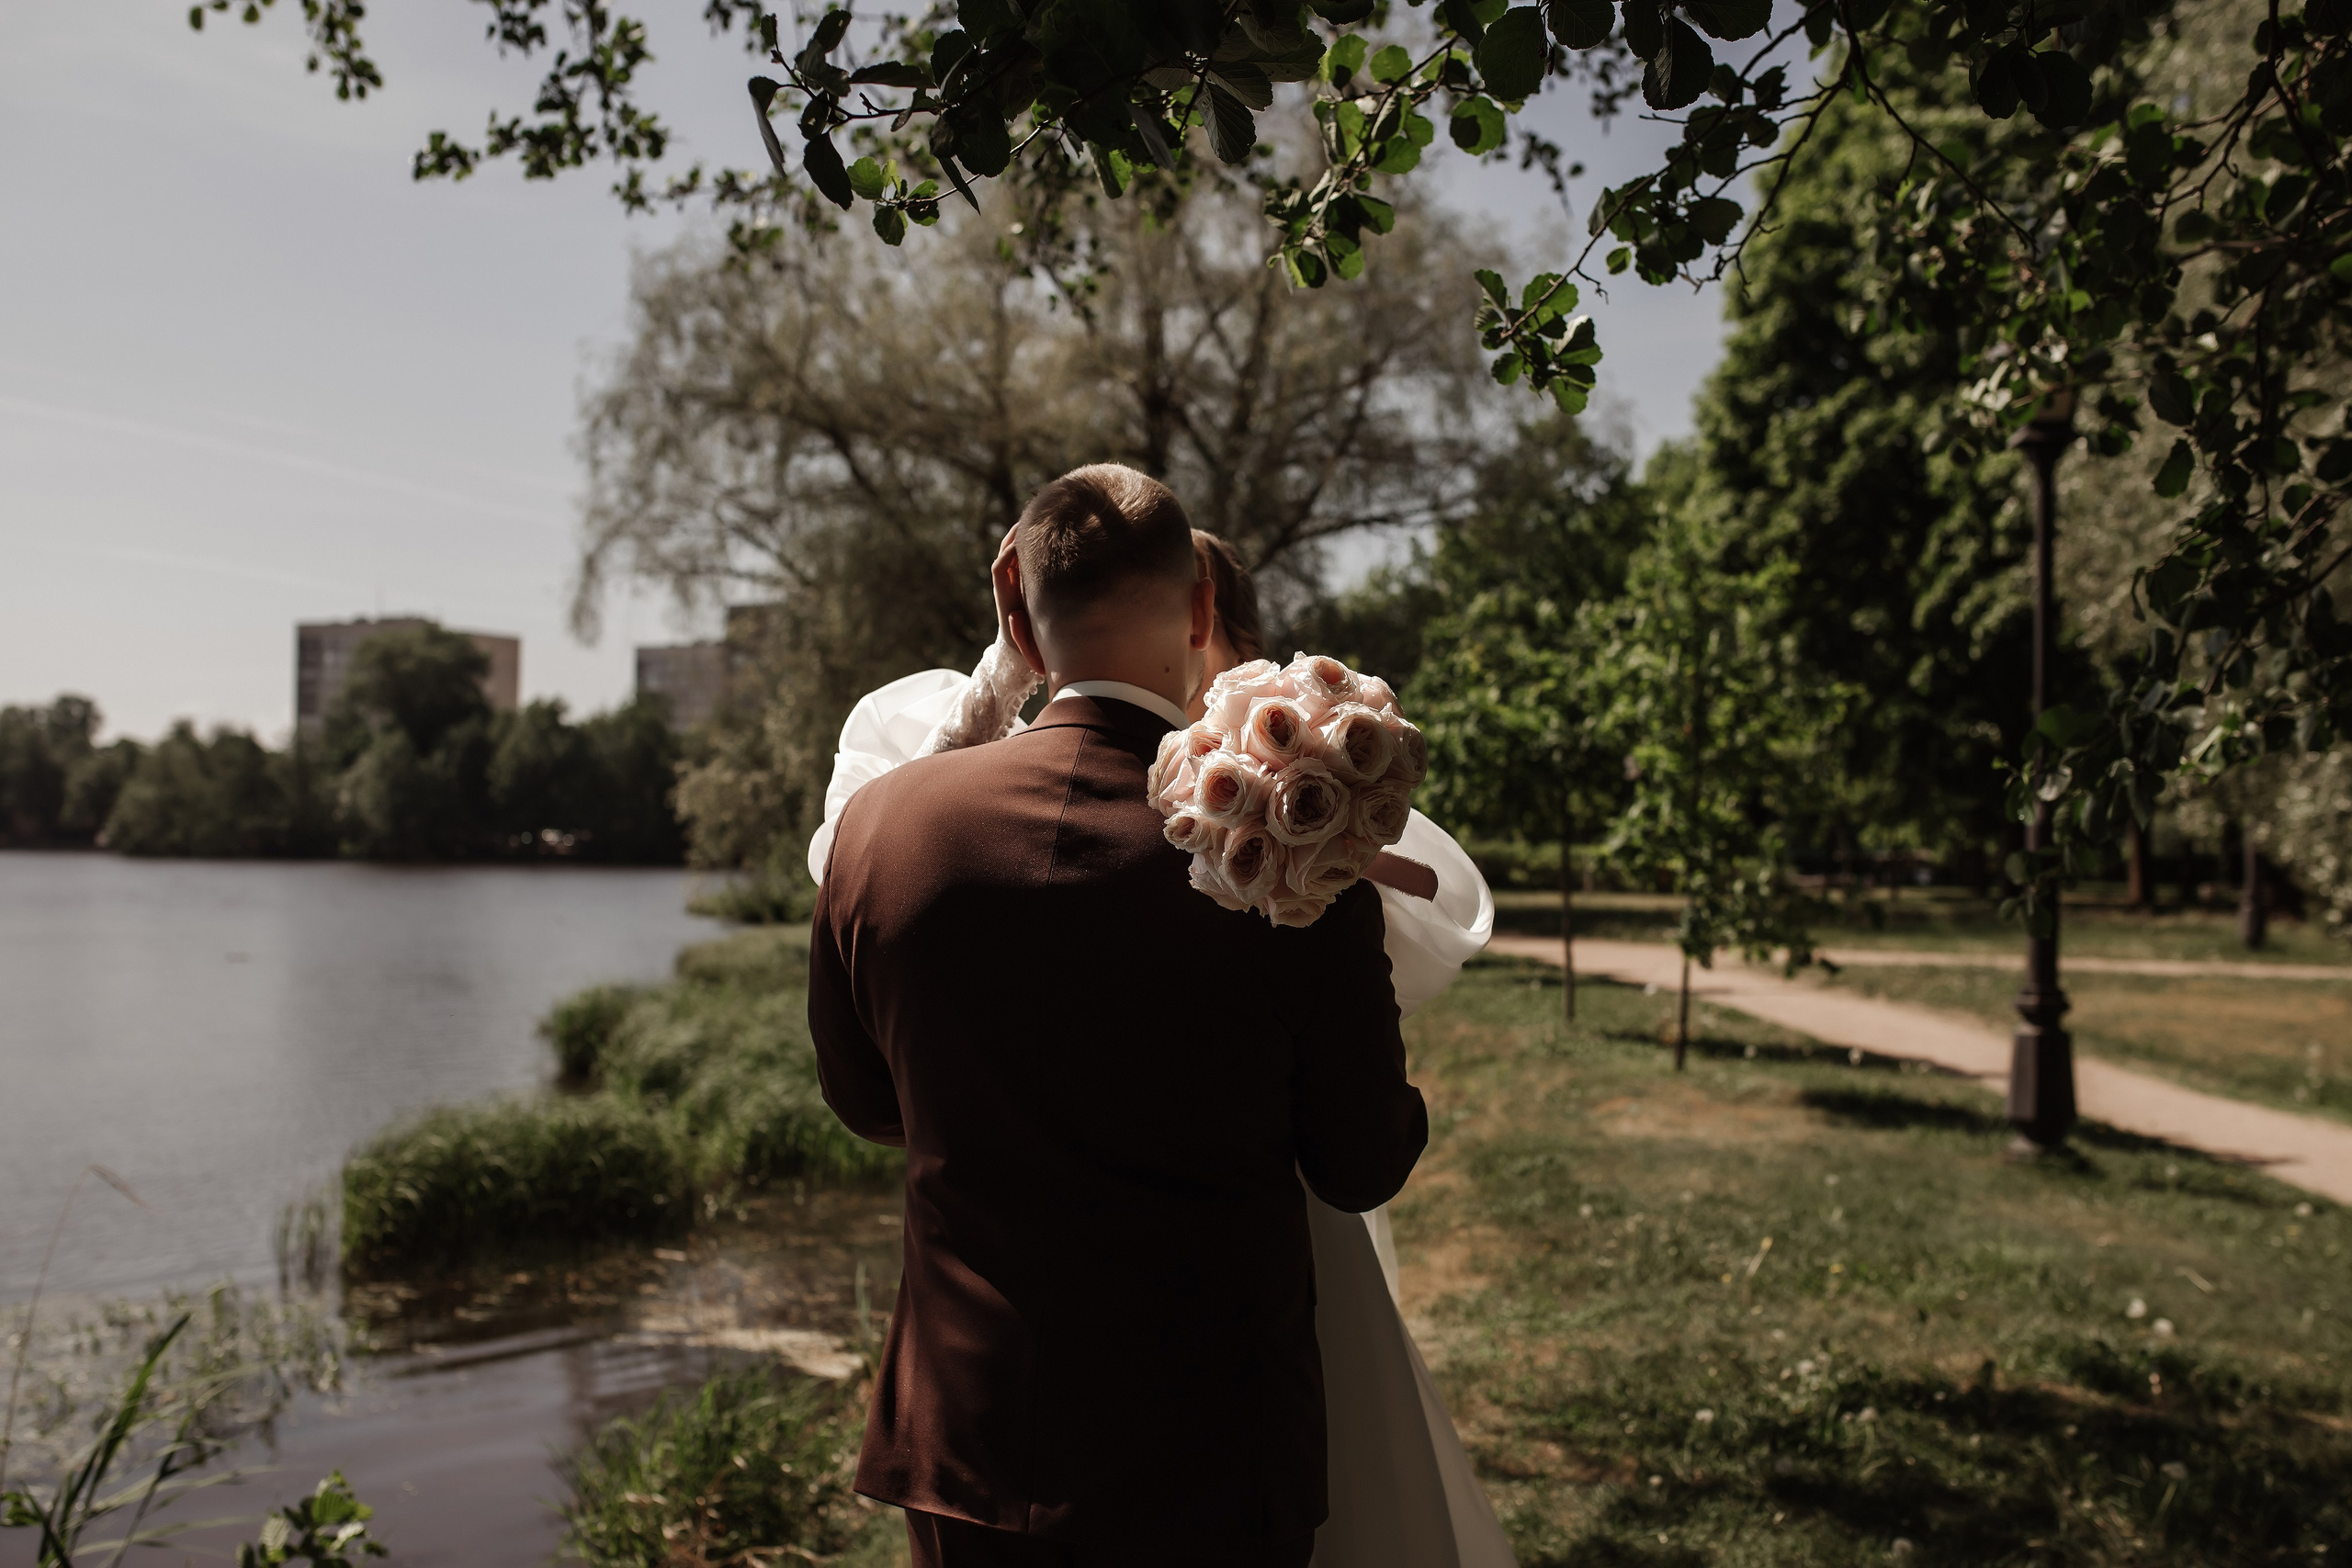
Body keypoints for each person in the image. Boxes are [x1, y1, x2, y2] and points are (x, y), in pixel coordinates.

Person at [809, 513, 1510, 1567]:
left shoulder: (879, 825)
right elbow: (1361, 1161)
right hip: (1208, 1442)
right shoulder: (1289, 858)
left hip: (971, 1430)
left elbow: (868, 1104)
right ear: (1197, 611)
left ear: (1014, 606)